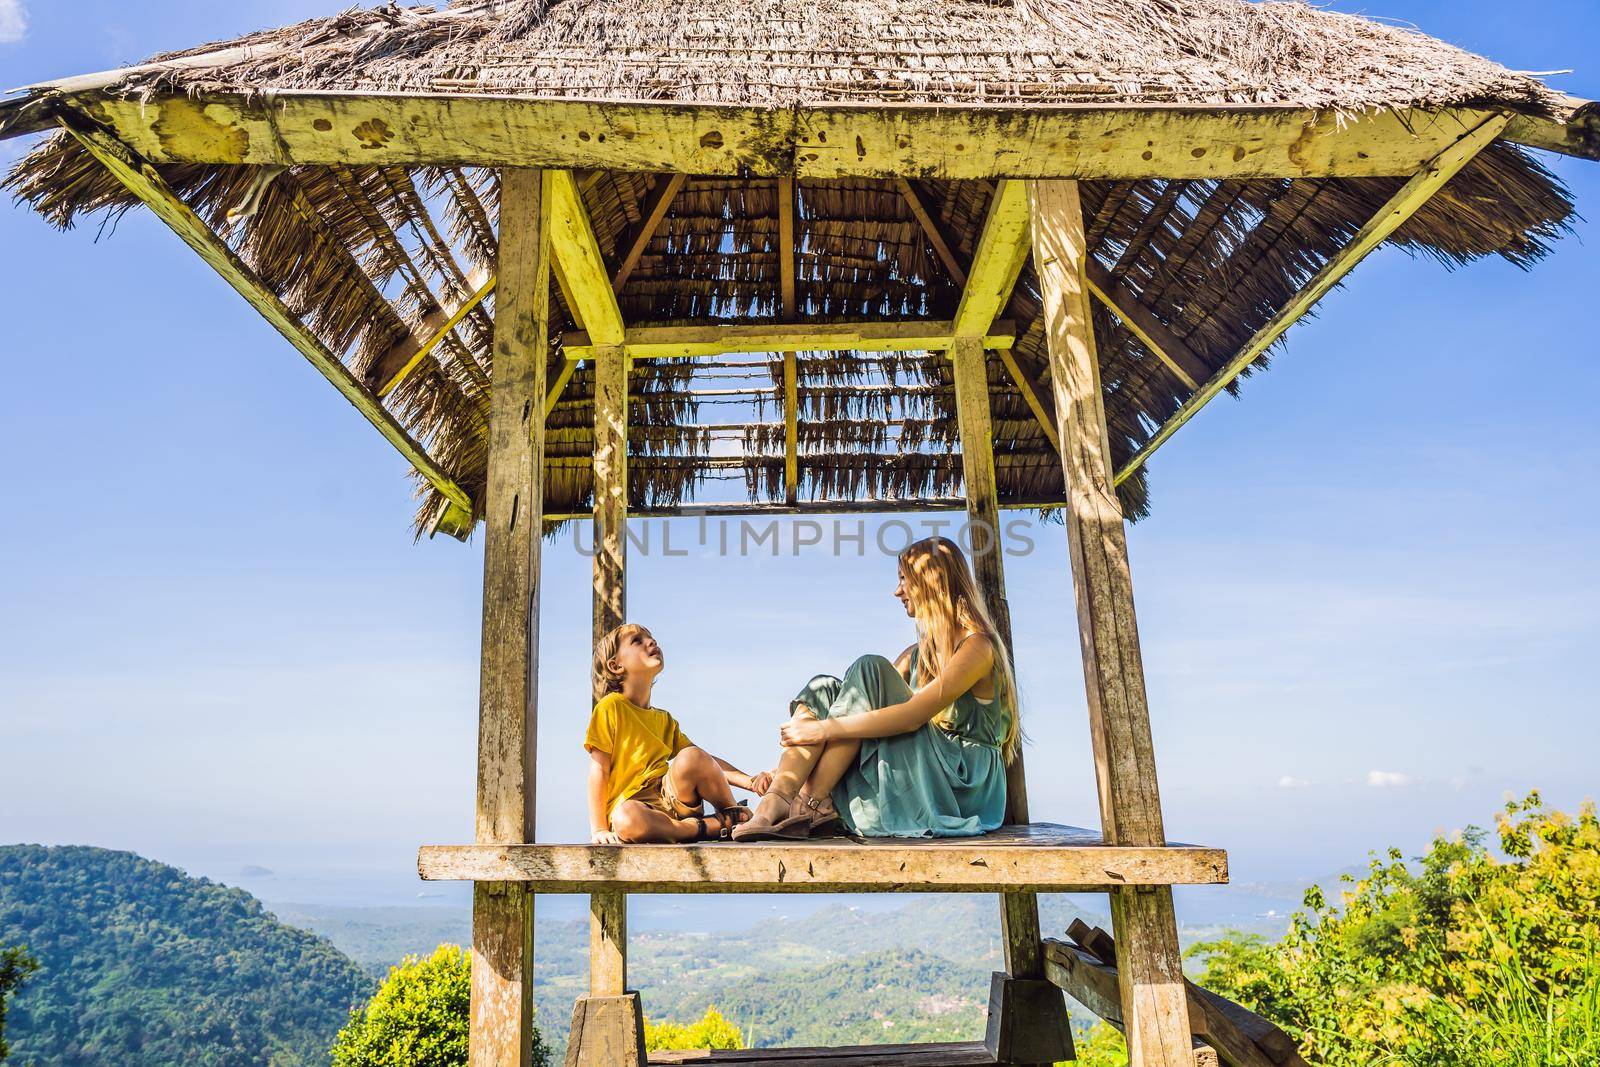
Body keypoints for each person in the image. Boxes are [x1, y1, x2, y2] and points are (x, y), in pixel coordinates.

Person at [734, 536, 1018, 840]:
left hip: (962, 786)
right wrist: (784, 771)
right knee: (823, 689)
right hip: (928, 765)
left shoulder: (978, 647)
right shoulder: (916, 655)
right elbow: (859, 706)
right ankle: (777, 800)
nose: (897, 591)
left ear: (932, 583)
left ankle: (809, 803)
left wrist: (821, 730)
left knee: (870, 668)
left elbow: (911, 716)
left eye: (903, 580)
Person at [586, 623, 757, 843]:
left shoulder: (664, 719)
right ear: (616, 665)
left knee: (692, 755)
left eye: (651, 637)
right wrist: (599, 829)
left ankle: (735, 817)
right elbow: (599, 769)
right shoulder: (610, 707)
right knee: (626, 819)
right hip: (638, 810)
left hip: (672, 798)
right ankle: (702, 828)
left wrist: (750, 782)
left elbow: (706, 763)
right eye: (637, 641)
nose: (651, 642)